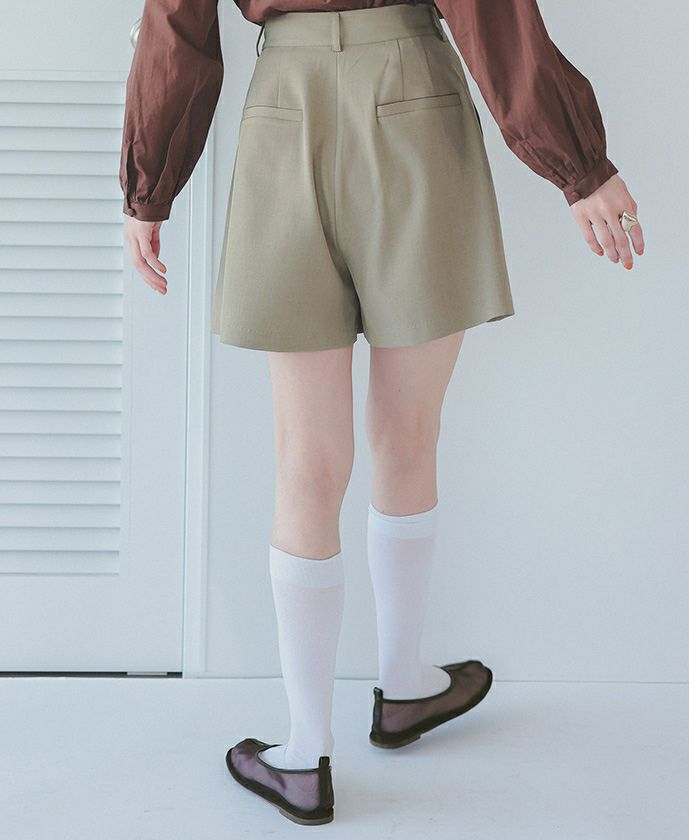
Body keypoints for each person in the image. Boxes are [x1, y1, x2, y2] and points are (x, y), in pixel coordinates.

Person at [119, 0, 644, 826]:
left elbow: (177, 23)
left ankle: (304, 752)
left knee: (306, 459)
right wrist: (579, 166)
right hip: (412, 98)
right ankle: (401, 687)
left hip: (285, 104)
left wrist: (149, 188)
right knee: (408, 431)